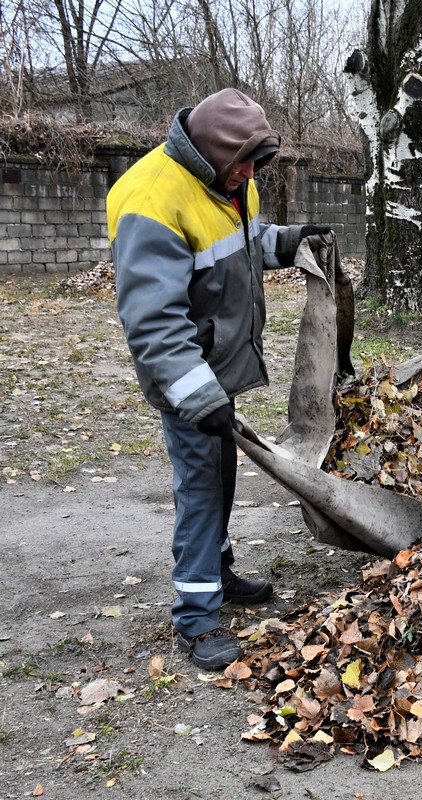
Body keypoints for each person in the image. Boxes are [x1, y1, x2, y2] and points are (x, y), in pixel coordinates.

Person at [106, 88, 332, 671]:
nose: (251, 175)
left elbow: (244, 243)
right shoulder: (151, 200)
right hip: (188, 379)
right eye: (244, 165)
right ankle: (198, 617)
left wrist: (288, 240)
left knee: (222, 475)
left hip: (217, 366)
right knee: (201, 487)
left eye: (257, 164)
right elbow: (153, 322)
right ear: (210, 155)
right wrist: (198, 396)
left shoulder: (234, 178)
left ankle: (221, 569)